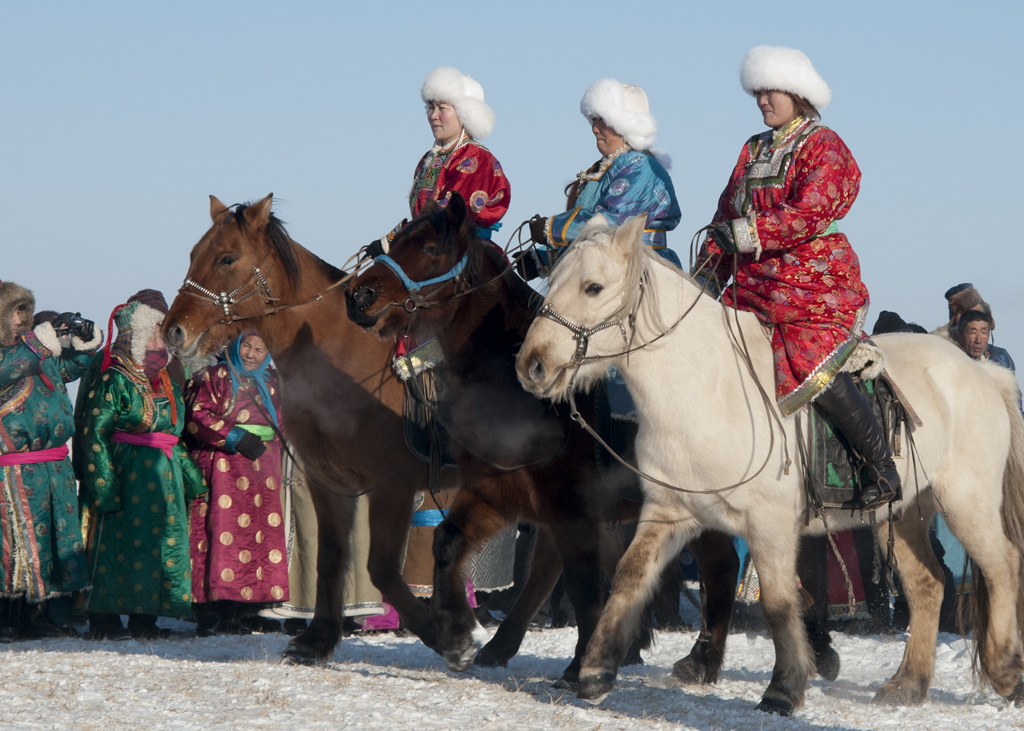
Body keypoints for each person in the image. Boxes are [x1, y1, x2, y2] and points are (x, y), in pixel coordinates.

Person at [694, 46, 898, 510]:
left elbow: (812, 209)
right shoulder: (754, 148)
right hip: (755, 282)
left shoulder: (824, 144)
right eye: (758, 92)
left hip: (811, 280)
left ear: (798, 94)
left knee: (809, 354)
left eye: (771, 92)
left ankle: (882, 467)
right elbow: (727, 211)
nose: (763, 100)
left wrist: (747, 232)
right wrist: (707, 274)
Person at [79, 293, 207, 639]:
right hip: (124, 475)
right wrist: (102, 486)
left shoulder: (164, 381)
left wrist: (194, 479)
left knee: (157, 548)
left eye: (160, 334)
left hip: (163, 480)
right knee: (115, 549)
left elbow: (172, 436)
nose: (158, 341)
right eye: (151, 334)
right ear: (133, 337)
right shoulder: (113, 379)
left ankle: (144, 619)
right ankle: (103, 620)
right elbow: (94, 435)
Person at [0, 281, 102, 641]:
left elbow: (72, 368)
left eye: (24, 312)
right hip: (13, 471)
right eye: (15, 312)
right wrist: (42, 339)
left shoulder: (36, 354)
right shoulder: (12, 355)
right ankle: (4, 618)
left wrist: (86, 342)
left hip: (52, 466)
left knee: (47, 547)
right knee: (12, 546)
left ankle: (33, 616)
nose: (21, 320)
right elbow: (8, 368)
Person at [184, 332, 288, 635]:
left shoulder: (273, 381)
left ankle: (248, 610)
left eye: (260, 348)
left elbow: (283, 423)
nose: (251, 354)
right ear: (234, 343)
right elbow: (197, 416)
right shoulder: (211, 376)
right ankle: (213, 612)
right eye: (246, 345)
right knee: (221, 533)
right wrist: (234, 436)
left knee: (260, 537)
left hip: (264, 468)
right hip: (224, 466)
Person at [523, 78, 681, 276]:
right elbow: (587, 240)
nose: (594, 128)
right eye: (594, 119)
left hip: (643, 272)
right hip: (604, 270)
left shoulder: (642, 170)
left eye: (603, 120)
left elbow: (608, 223)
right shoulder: (602, 171)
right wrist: (542, 259)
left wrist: (550, 228)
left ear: (627, 126)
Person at [367, 65, 511, 257]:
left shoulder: (476, 157)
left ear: (465, 114)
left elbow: (447, 212)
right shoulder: (428, 159)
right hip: (427, 247)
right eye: (431, 107)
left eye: (442, 108)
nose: (433, 115)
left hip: (462, 254)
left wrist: (395, 237)